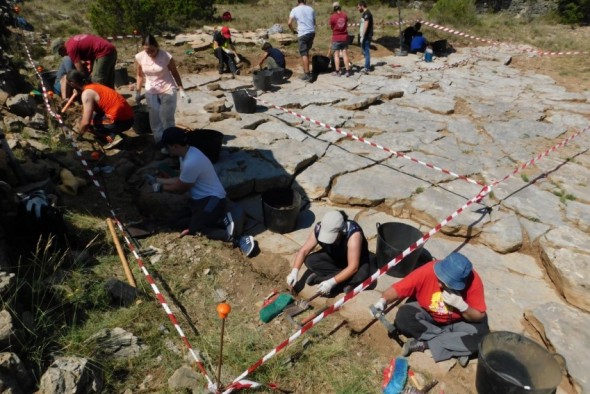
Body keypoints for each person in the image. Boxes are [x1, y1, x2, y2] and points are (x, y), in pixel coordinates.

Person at [150, 127, 256, 257]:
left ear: (175, 146)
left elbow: (181, 187)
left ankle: (236, 238)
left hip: (213, 200)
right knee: (177, 222)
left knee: (197, 229)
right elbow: (182, 178)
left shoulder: (191, 161)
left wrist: (160, 188)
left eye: (167, 147)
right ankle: (217, 220)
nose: (166, 150)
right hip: (199, 200)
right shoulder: (185, 155)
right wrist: (158, 180)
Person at [371, 252, 489, 367]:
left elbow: (478, 316)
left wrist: (462, 306)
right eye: (440, 278)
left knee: (483, 339)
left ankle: (424, 344)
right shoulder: (428, 270)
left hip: (459, 321)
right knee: (403, 317)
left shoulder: (474, 281)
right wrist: (383, 300)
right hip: (428, 315)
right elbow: (399, 288)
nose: (439, 284)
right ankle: (458, 347)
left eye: (446, 282)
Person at [286, 210, 374, 296]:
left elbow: (353, 267)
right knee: (310, 261)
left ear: (341, 231)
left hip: (357, 263)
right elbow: (304, 251)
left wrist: (331, 283)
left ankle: (324, 280)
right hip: (335, 257)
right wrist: (294, 272)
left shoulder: (353, 235)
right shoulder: (319, 228)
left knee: (361, 274)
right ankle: (342, 279)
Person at [135, 34, 190, 145]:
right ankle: (160, 142)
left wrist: (181, 90)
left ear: (157, 47)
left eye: (152, 50)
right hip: (151, 89)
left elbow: (175, 73)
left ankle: (171, 142)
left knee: (166, 117)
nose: (150, 53)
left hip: (167, 88)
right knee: (155, 119)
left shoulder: (166, 56)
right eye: (147, 51)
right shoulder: (140, 57)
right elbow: (139, 75)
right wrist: (138, 91)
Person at [66, 70, 133, 150]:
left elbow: (85, 123)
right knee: (93, 117)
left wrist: (79, 135)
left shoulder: (87, 93)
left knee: (89, 124)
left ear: (73, 83)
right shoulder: (94, 86)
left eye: (69, 84)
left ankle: (114, 137)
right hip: (128, 116)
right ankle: (114, 134)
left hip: (121, 121)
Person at [52, 34, 117, 88]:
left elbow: (80, 69)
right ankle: (113, 99)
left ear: (61, 49)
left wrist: (83, 82)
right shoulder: (72, 42)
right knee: (108, 78)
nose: (62, 56)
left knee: (96, 81)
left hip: (103, 52)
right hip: (110, 49)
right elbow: (92, 52)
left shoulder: (70, 49)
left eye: (60, 53)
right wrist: (91, 69)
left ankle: (99, 101)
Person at [288, 0, 316, 82]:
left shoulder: (295, 10)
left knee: (304, 53)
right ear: (305, 1)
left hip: (303, 34)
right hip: (311, 33)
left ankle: (307, 74)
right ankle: (307, 70)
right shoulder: (311, 9)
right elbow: (314, 22)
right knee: (306, 51)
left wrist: (293, 30)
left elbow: (289, 23)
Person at [329, 2, 351, 77]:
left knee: (336, 55)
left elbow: (332, 27)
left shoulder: (332, 17)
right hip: (344, 37)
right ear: (340, 7)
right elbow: (346, 24)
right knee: (345, 55)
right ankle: (347, 71)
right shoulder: (345, 15)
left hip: (336, 37)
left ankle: (337, 72)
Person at [357, 1, 373, 74]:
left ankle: (367, 68)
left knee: (366, 51)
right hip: (364, 35)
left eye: (358, 7)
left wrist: (363, 35)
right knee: (364, 50)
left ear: (362, 6)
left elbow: (366, 24)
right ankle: (367, 64)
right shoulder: (364, 13)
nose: (358, 9)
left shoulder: (367, 14)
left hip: (367, 35)